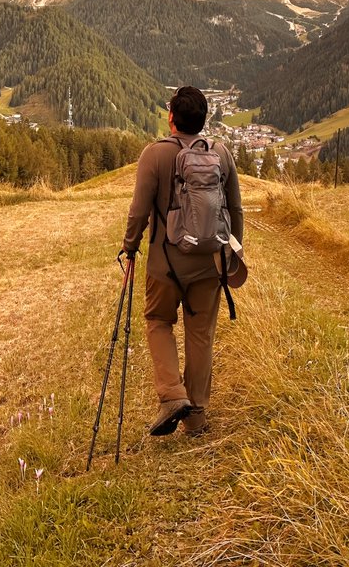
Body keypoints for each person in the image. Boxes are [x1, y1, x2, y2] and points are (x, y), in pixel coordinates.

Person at [121, 85, 244, 437]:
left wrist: (130, 246)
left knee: (158, 320)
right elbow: (234, 209)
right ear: (204, 119)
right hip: (210, 263)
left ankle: (172, 394)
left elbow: (139, 211)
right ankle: (197, 418)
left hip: (165, 264)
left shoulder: (154, 155)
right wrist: (233, 254)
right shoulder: (221, 153)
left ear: (171, 118)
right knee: (200, 334)